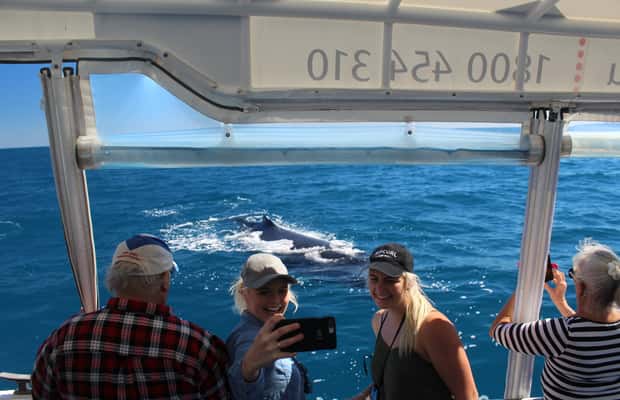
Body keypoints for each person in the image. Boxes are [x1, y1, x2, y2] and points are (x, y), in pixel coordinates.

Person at [31, 234, 231, 399]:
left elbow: (41, 393)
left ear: (113, 279)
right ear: (165, 281)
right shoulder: (197, 346)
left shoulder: (65, 337)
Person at [490, 239, 620, 399]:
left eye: (573, 274)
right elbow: (590, 330)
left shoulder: (560, 334)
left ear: (581, 287)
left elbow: (497, 330)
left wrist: (523, 286)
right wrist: (561, 303)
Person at [354, 243, 478, 400]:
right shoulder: (380, 320)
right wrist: (362, 396)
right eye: (374, 279)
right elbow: (394, 379)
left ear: (408, 282)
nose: (379, 288)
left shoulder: (432, 327)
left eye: (390, 280)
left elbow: (469, 396)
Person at [226, 253, 310, 400]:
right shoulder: (248, 340)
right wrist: (249, 368)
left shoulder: (270, 331)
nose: (275, 300)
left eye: (282, 290)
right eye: (264, 292)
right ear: (244, 293)